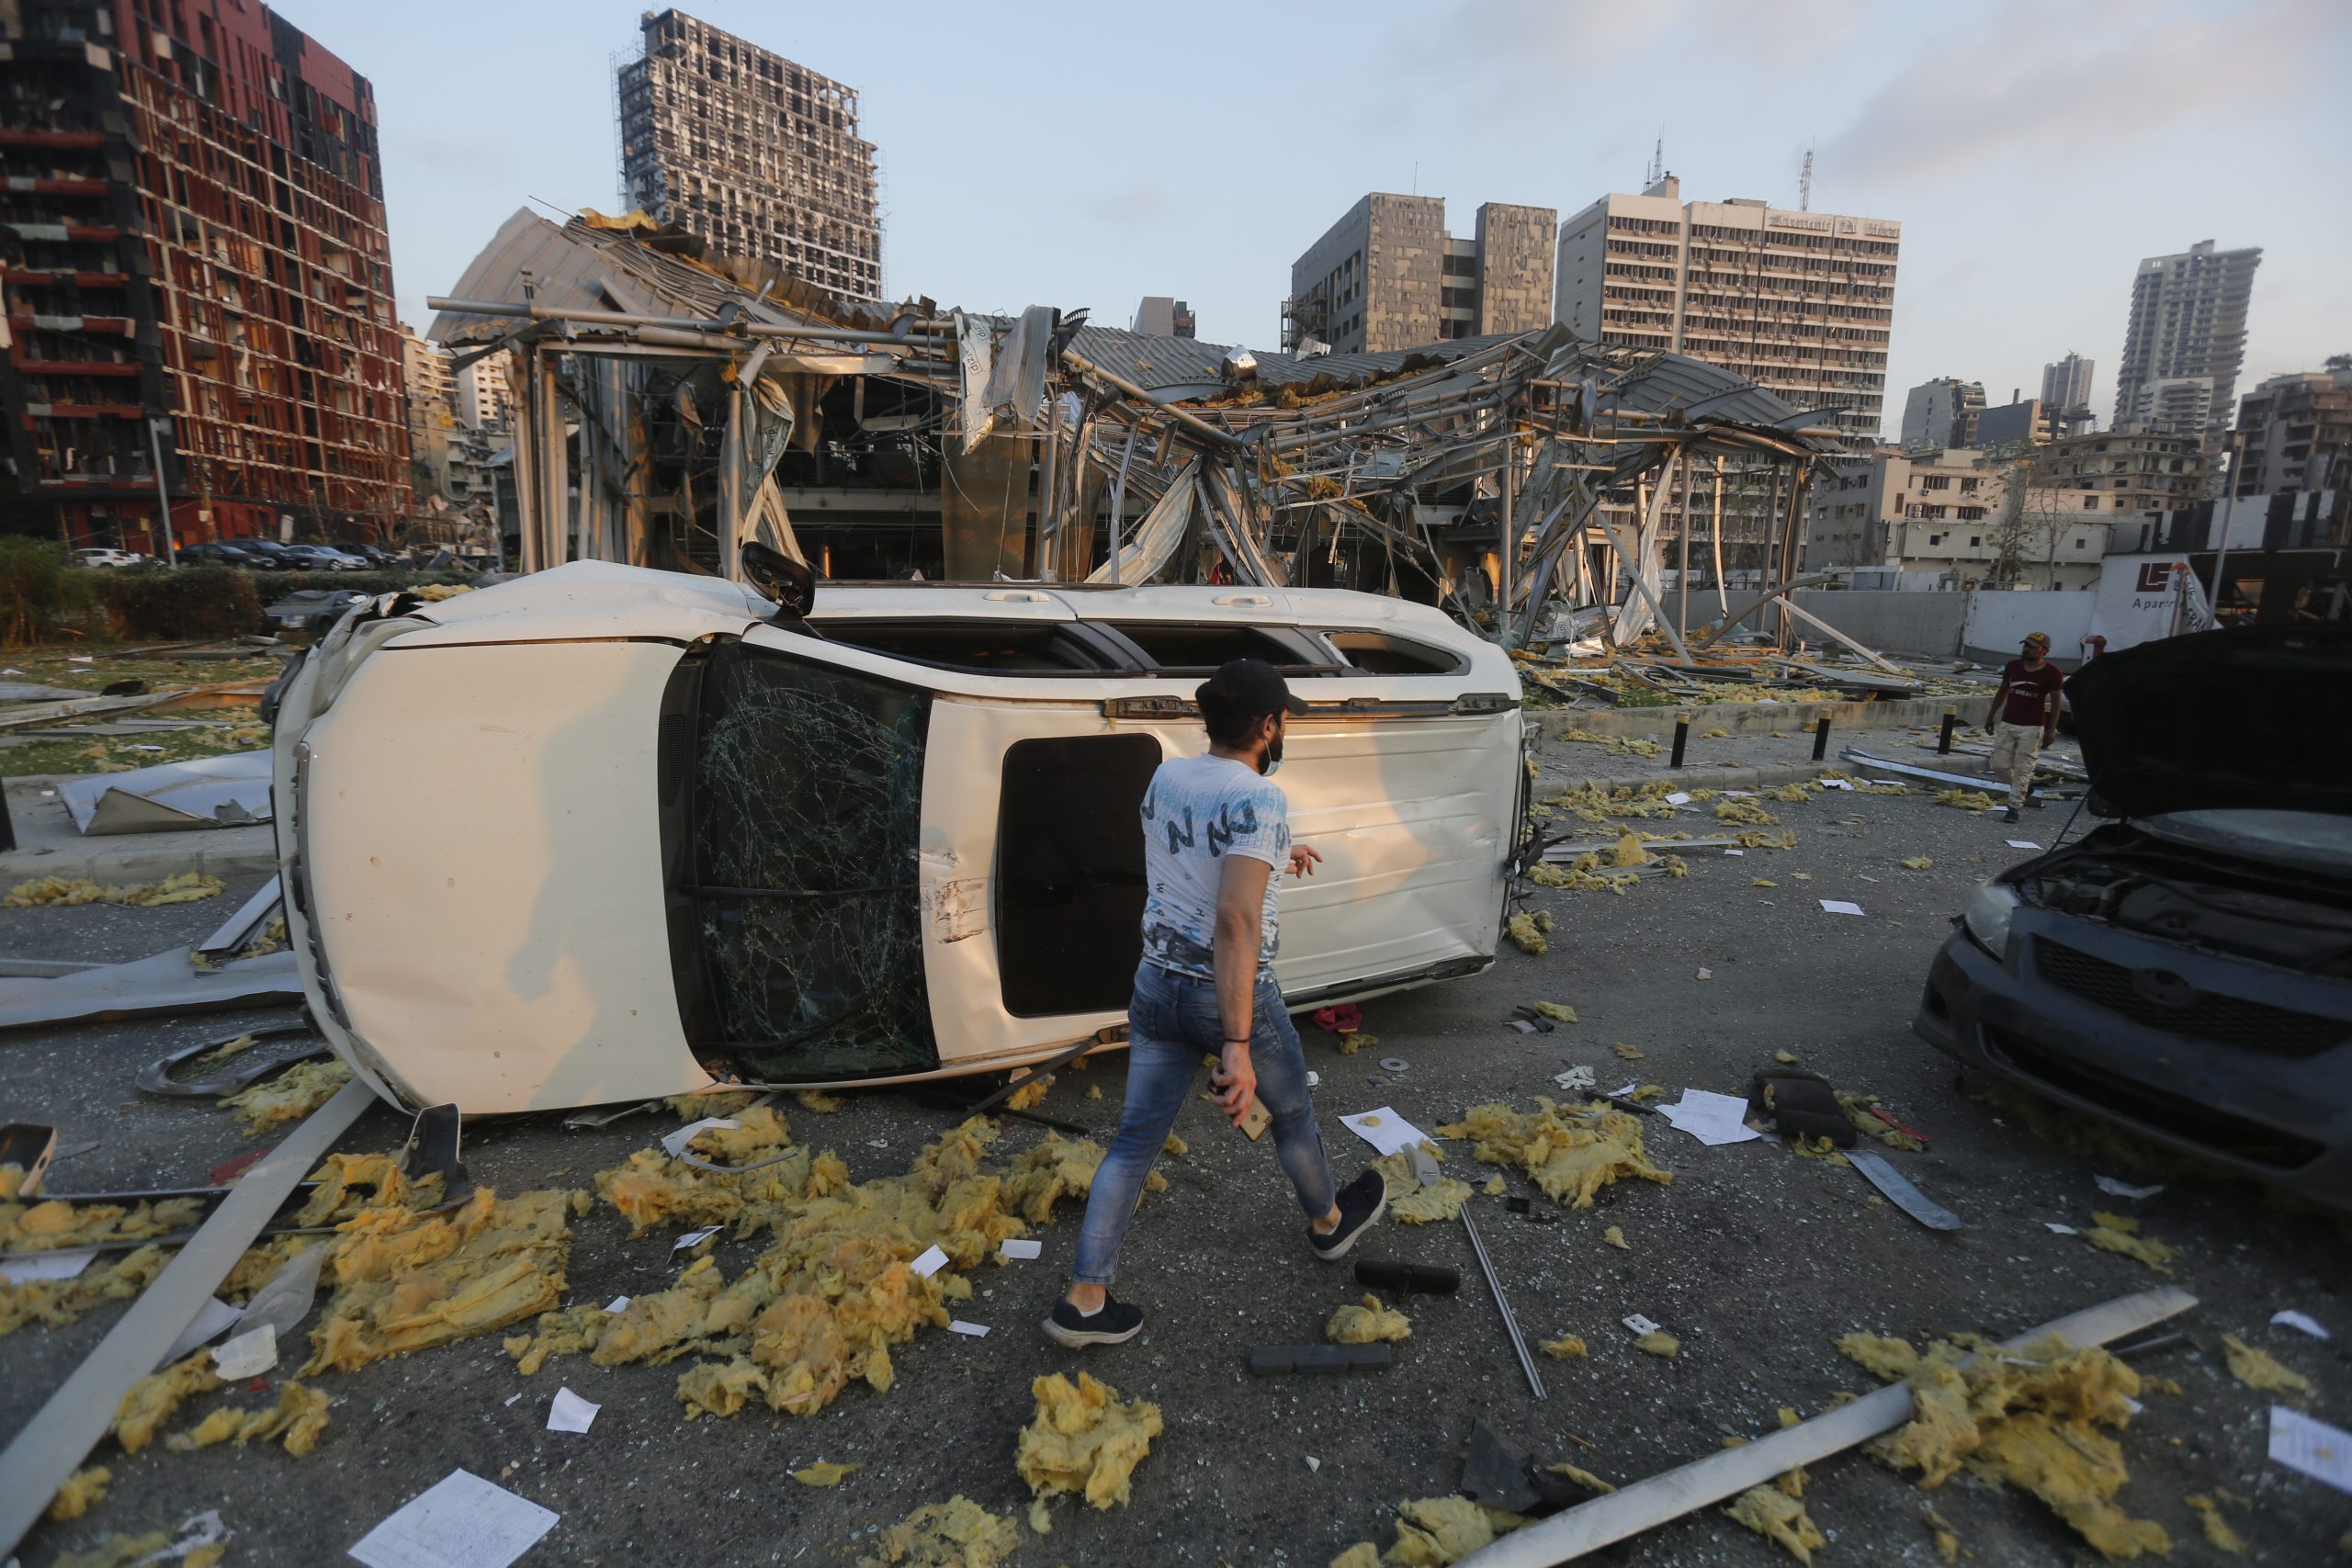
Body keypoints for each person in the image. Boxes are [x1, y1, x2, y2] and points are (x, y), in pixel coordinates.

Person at [1043, 658, 1386, 1348]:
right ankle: (1328, 1224)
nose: (1284, 726)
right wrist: (1235, 1042)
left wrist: (1275, 853)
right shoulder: (1259, 797)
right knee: (1290, 1116)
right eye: (1283, 717)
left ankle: (1084, 1297)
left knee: (1135, 1140)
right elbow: (1234, 918)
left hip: (1155, 986)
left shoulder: (1169, 773)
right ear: (1268, 726)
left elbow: (1188, 850)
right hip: (1229, 996)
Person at [1984, 632, 2064, 824]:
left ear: (2043, 650)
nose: (2026, 649)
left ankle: (2014, 807)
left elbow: (2056, 703)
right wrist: (1991, 716)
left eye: (2031, 647)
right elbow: (2003, 691)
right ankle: (2024, 789)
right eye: (2025, 645)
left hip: (2033, 727)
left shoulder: (2052, 672)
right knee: (1999, 765)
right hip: (2008, 723)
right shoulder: (2013, 666)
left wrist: (2051, 730)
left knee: (2023, 769)